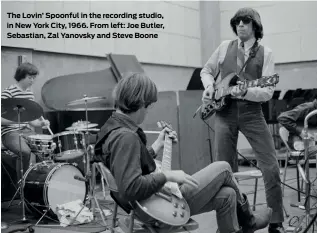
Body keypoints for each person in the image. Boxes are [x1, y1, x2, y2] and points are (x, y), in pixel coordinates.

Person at [95, 73, 272, 233]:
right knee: (224, 168)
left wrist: (156, 146)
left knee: (228, 195)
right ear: (140, 103)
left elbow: (129, 165)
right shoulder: (126, 138)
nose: (148, 112)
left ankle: (246, 223)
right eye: (148, 106)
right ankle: (249, 221)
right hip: (157, 206)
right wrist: (168, 176)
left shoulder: (113, 127)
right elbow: (131, 188)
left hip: (148, 201)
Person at [200, 7, 285, 233]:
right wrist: (210, 87)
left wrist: (243, 92)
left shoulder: (266, 53)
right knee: (222, 169)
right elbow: (206, 71)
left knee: (271, 167)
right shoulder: (223, 48)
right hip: (224, 113)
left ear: (255, 26)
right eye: (237, 22)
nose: (240, 25)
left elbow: (267, 92)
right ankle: (231, 223)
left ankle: (276, 222)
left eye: (245, 22)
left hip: (252, 113)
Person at [1, 62, 50, 180]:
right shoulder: (8, 93)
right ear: (21, 76)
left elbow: (31, 121)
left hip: (26, 130)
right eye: (30, 77)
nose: (32, 80)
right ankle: (22, 184)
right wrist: (17, 121)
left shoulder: (29, 94)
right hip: (9, 132)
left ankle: (41, 182)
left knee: (45, 147)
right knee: (25, 152)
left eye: (34, 78)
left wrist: (41, 124)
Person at [277, 86, 317, 157]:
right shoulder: (308, 108)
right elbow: (282, 118)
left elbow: (314, 135)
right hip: (300, 145)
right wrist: (300, 132)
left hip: (311, 145)